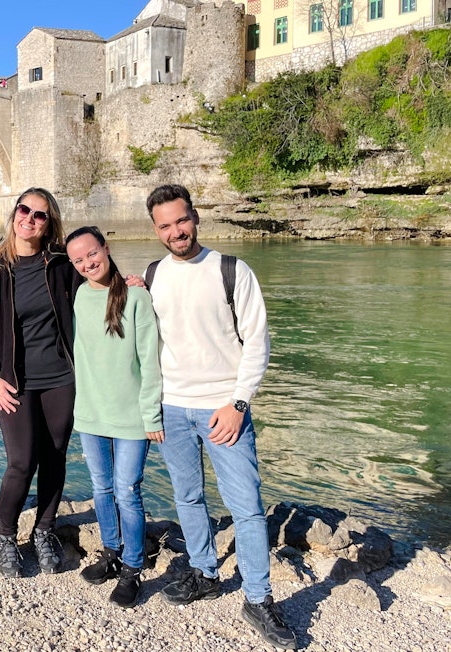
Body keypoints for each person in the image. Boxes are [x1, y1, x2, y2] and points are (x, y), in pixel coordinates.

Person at [144, 184, 297, 649]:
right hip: (173, 408)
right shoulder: (152, 276)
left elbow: (258, 342)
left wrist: (238, 403)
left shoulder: (232, 270)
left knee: (246, 507)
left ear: (195, 217)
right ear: (156, 230)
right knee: (188, 499)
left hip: (224, 409)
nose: (176, 231)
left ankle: (258, 598)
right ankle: (205, 572)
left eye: (181, 220)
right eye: (166, 225)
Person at [0, 187, 76, 578]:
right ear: (14, 213)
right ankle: (8, 537)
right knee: (20, 461)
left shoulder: (62, 264)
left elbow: (99, 288)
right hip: (14, 382)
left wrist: (129, 285)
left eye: (40, 215)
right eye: (24, 210)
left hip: (61, 377)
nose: (29, 219)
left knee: (55, 454)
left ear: (50, 224)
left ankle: (45, 530)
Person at [65, 226, 163, 608]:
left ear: (106, 248)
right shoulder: (78, 296)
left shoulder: (136, 296)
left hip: (131, 419)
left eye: (92, 254)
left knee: (127, 491)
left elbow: (150, 360)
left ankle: (133, 567)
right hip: (91, 414)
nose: (88, 263)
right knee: (102, 489)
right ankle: (111, 552)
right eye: (79, 260)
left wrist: (152, 415)